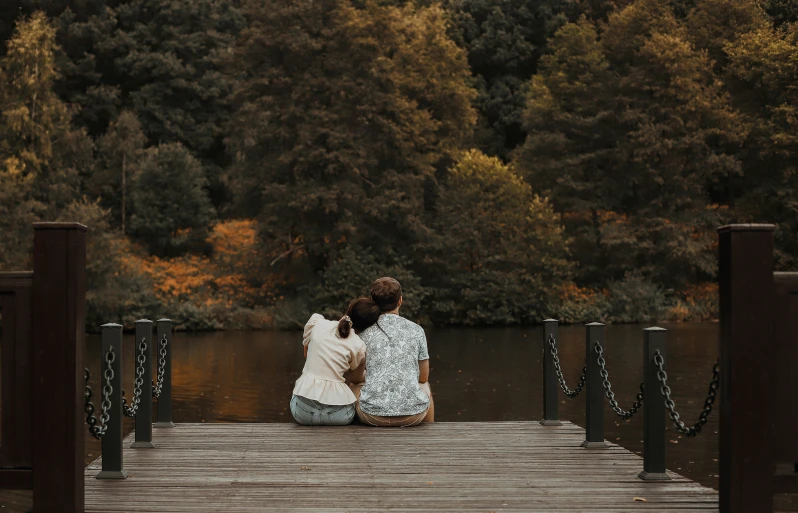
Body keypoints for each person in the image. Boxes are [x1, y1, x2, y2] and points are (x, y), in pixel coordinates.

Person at [351, 277, 434, 426]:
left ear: (373, 302)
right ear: (400, 300)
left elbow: (356, 378)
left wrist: (372, 375)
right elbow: (423, 376)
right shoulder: (417, 330)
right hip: (413, 416)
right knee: (425, 386)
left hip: (371, 416)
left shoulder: (363, 333)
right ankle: (429, 431)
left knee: (355, 387)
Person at [290, 298, 380, 426]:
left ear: (349, 309)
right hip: (338, 415)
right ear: (369, 326)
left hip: (302, 413)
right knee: (355, 390)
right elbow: (356, 379)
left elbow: (306, 353)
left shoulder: (317, 323)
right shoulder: (359, 346)